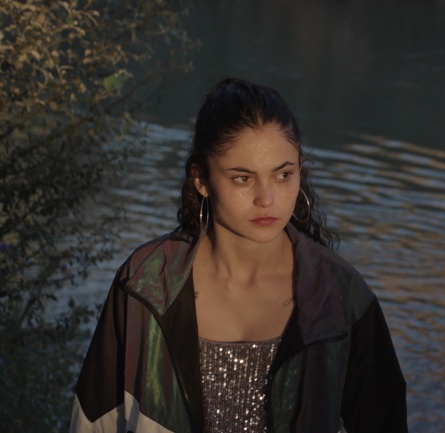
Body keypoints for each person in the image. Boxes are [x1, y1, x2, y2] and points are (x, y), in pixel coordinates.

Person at [70, 78, 408, 433]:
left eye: (283, 174)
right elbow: (95, 422)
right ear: (201, 179)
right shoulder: (145, 285)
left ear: (300, 169)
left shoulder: (342, 299)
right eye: (243, 178)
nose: (267, 199)